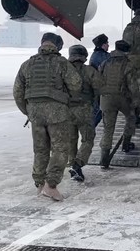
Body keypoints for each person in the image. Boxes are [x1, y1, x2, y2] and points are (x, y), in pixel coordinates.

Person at [13, 33, 82, 201]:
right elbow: (76, 84)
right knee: (59, 149)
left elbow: (17, 92)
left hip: (35, 114)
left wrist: (28, 111)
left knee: (40, 150)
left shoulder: (27, 65)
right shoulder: (62, 64)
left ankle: (39, 184)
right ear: (57, 46)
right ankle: (51, 185)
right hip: (57, 113)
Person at [98, 40, 140, 165]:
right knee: (131, 117)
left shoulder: (104, 63)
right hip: (122, 98)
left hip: (106, 98)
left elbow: (98, 80)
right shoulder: (128, 65)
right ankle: (126, 144)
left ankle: (104, 158)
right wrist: (136, 102)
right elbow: (133, 86)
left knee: (108, 128)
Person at [66, 45, 103, 182]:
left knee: (71, 140)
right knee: (88, 139)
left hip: (66, 110)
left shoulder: (63, 71)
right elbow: (99, 86)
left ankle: (74, 166)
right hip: (84, 110)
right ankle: (78, 163)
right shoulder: (89, 71)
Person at [89, 33, 110, 128]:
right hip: (100, 87)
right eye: (107, 43)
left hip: (95, 86)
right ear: (103, 45)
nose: (108, 45)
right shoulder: (103, 56)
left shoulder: (95, 55)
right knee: (99, 110)